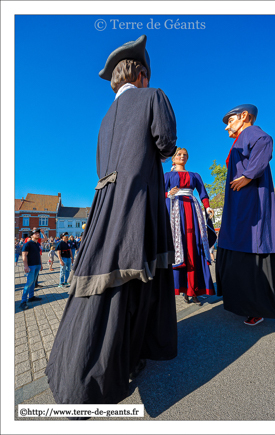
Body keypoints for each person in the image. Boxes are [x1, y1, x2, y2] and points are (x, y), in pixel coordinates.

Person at [45, 35, 178, 410]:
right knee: (139, 275)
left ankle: (76, 372)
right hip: (138, 200)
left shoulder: (104, 120)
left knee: (103, 280)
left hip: (103, 202)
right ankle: (128, 357)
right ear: (142, 75)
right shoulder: (154, 97)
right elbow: (166, 143)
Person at [216, 104, 275, 326]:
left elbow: (266, 142)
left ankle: (258, 305)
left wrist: (248, 174)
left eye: (230, 121)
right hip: (238, 202)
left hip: (249, 200)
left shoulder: (251, 132)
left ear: (245, 116)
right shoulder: (239, 140)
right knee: (236, 242)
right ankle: (246, 304)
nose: (227, 128)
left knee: (249, 241)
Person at [165, 147, 216, 305]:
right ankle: (183, 289)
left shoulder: (195, 175)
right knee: (181, 247)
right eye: (179, 154)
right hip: (176, 212)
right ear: (173, 159)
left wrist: (207, 207)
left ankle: (195, 289)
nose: (182, 156)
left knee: (194, 247)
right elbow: (157, 193)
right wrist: (168, 194)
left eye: (185, 155)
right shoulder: (167, 176)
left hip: (193, 212)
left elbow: (203, 194)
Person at [20, 229, 43, 310]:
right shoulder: (27, 244)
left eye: (38, 233)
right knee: (29, 283)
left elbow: (39, 255)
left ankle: (31, 297)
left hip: (37, 265)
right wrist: (26, 266)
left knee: (33, 282)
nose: (37, 234)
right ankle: (23, 301)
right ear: (31, 235)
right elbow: (24, 255)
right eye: (35, 233)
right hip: (30, 266)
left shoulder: (37, 244)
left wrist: (41, 264)